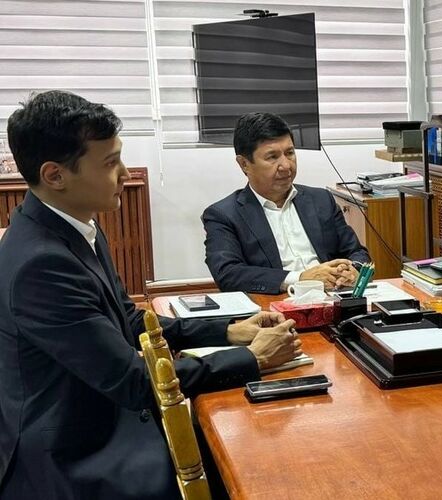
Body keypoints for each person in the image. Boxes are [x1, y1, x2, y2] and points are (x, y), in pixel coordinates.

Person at [0, 91, 302, 499]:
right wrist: (253, 358)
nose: (126, 173)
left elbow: (128, 320)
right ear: (55, 176)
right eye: (110, 163)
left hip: (98, 419)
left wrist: (229, 331)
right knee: (244, 461)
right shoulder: (41, 264)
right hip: (72, 456)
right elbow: (135, 382)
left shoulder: (74, 225)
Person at [202, 112, 370, 294]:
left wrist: (352, 269)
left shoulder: (321, 200)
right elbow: (228, 274)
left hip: (335, 297)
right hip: (276, 304)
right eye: (272, 157)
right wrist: (300, 279)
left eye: (290, 153)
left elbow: (357, 252)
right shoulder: (224, 215)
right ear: (244, 164)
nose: (286, 166)